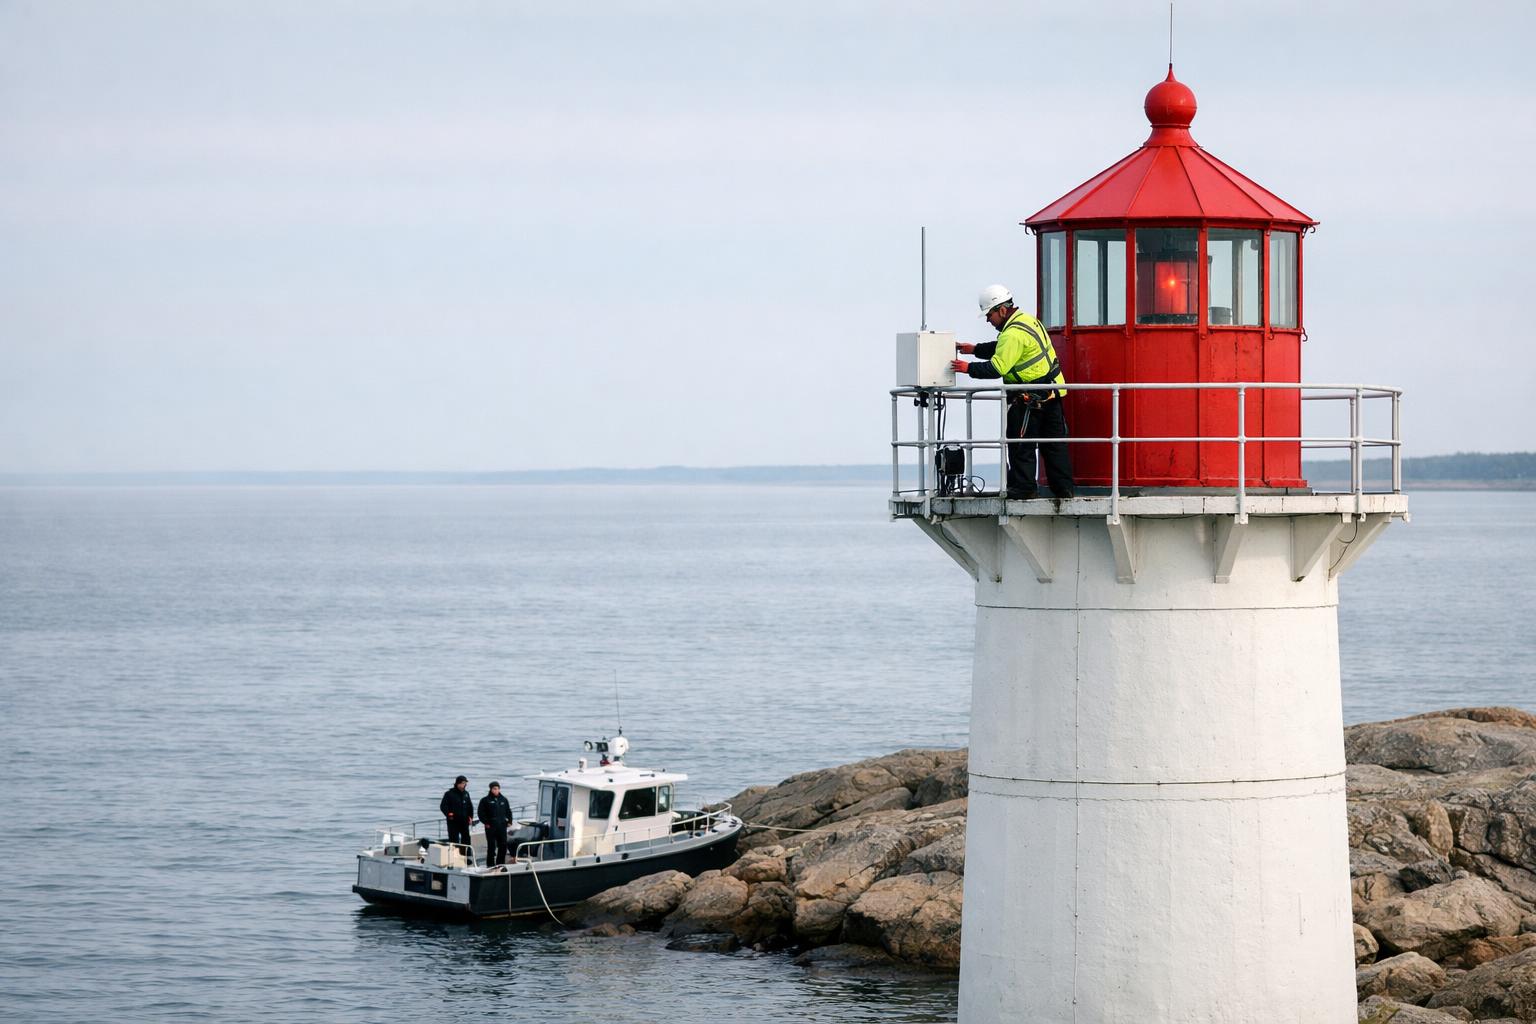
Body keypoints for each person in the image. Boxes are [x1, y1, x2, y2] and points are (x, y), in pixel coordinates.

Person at [951, 284, 1076, 499]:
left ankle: (1023, 489)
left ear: (1001, 310)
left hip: (1029, 399)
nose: (989, 321)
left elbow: (997, 367)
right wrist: (975, 350)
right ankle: (1064, 490)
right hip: (1052, 393)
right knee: (1054, 445)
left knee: (1021, 445)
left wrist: (967, 368)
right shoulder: (1027, 321)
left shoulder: (1012, 334)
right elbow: (1004, 347)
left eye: (989, 315)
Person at [478, 781, 514, 867]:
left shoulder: (504, 799)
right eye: (494, 789)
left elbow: (508, 811)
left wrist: (510, 821)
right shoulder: (485, 800)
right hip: (491, 826)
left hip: (502, 826)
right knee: (491, 846)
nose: (496, 790)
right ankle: (490, 864)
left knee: (503, 845)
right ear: (491, 789)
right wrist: (486, 822)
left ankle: (500, 863)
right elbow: (481, 813)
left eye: (497, 788)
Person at [440, 775, 475, 862]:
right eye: (463, 783)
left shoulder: (466, 794)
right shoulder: (449, 794)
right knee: (454, 839)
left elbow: (470, 807)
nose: (464, 785)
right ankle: (454, 858)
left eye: (465, 783)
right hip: (453, 822)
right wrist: (449, 814)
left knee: (466, 838)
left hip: (464, 821)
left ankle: (466, 856)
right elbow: (443, 806)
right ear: (458, 783)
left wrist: (470, 817)